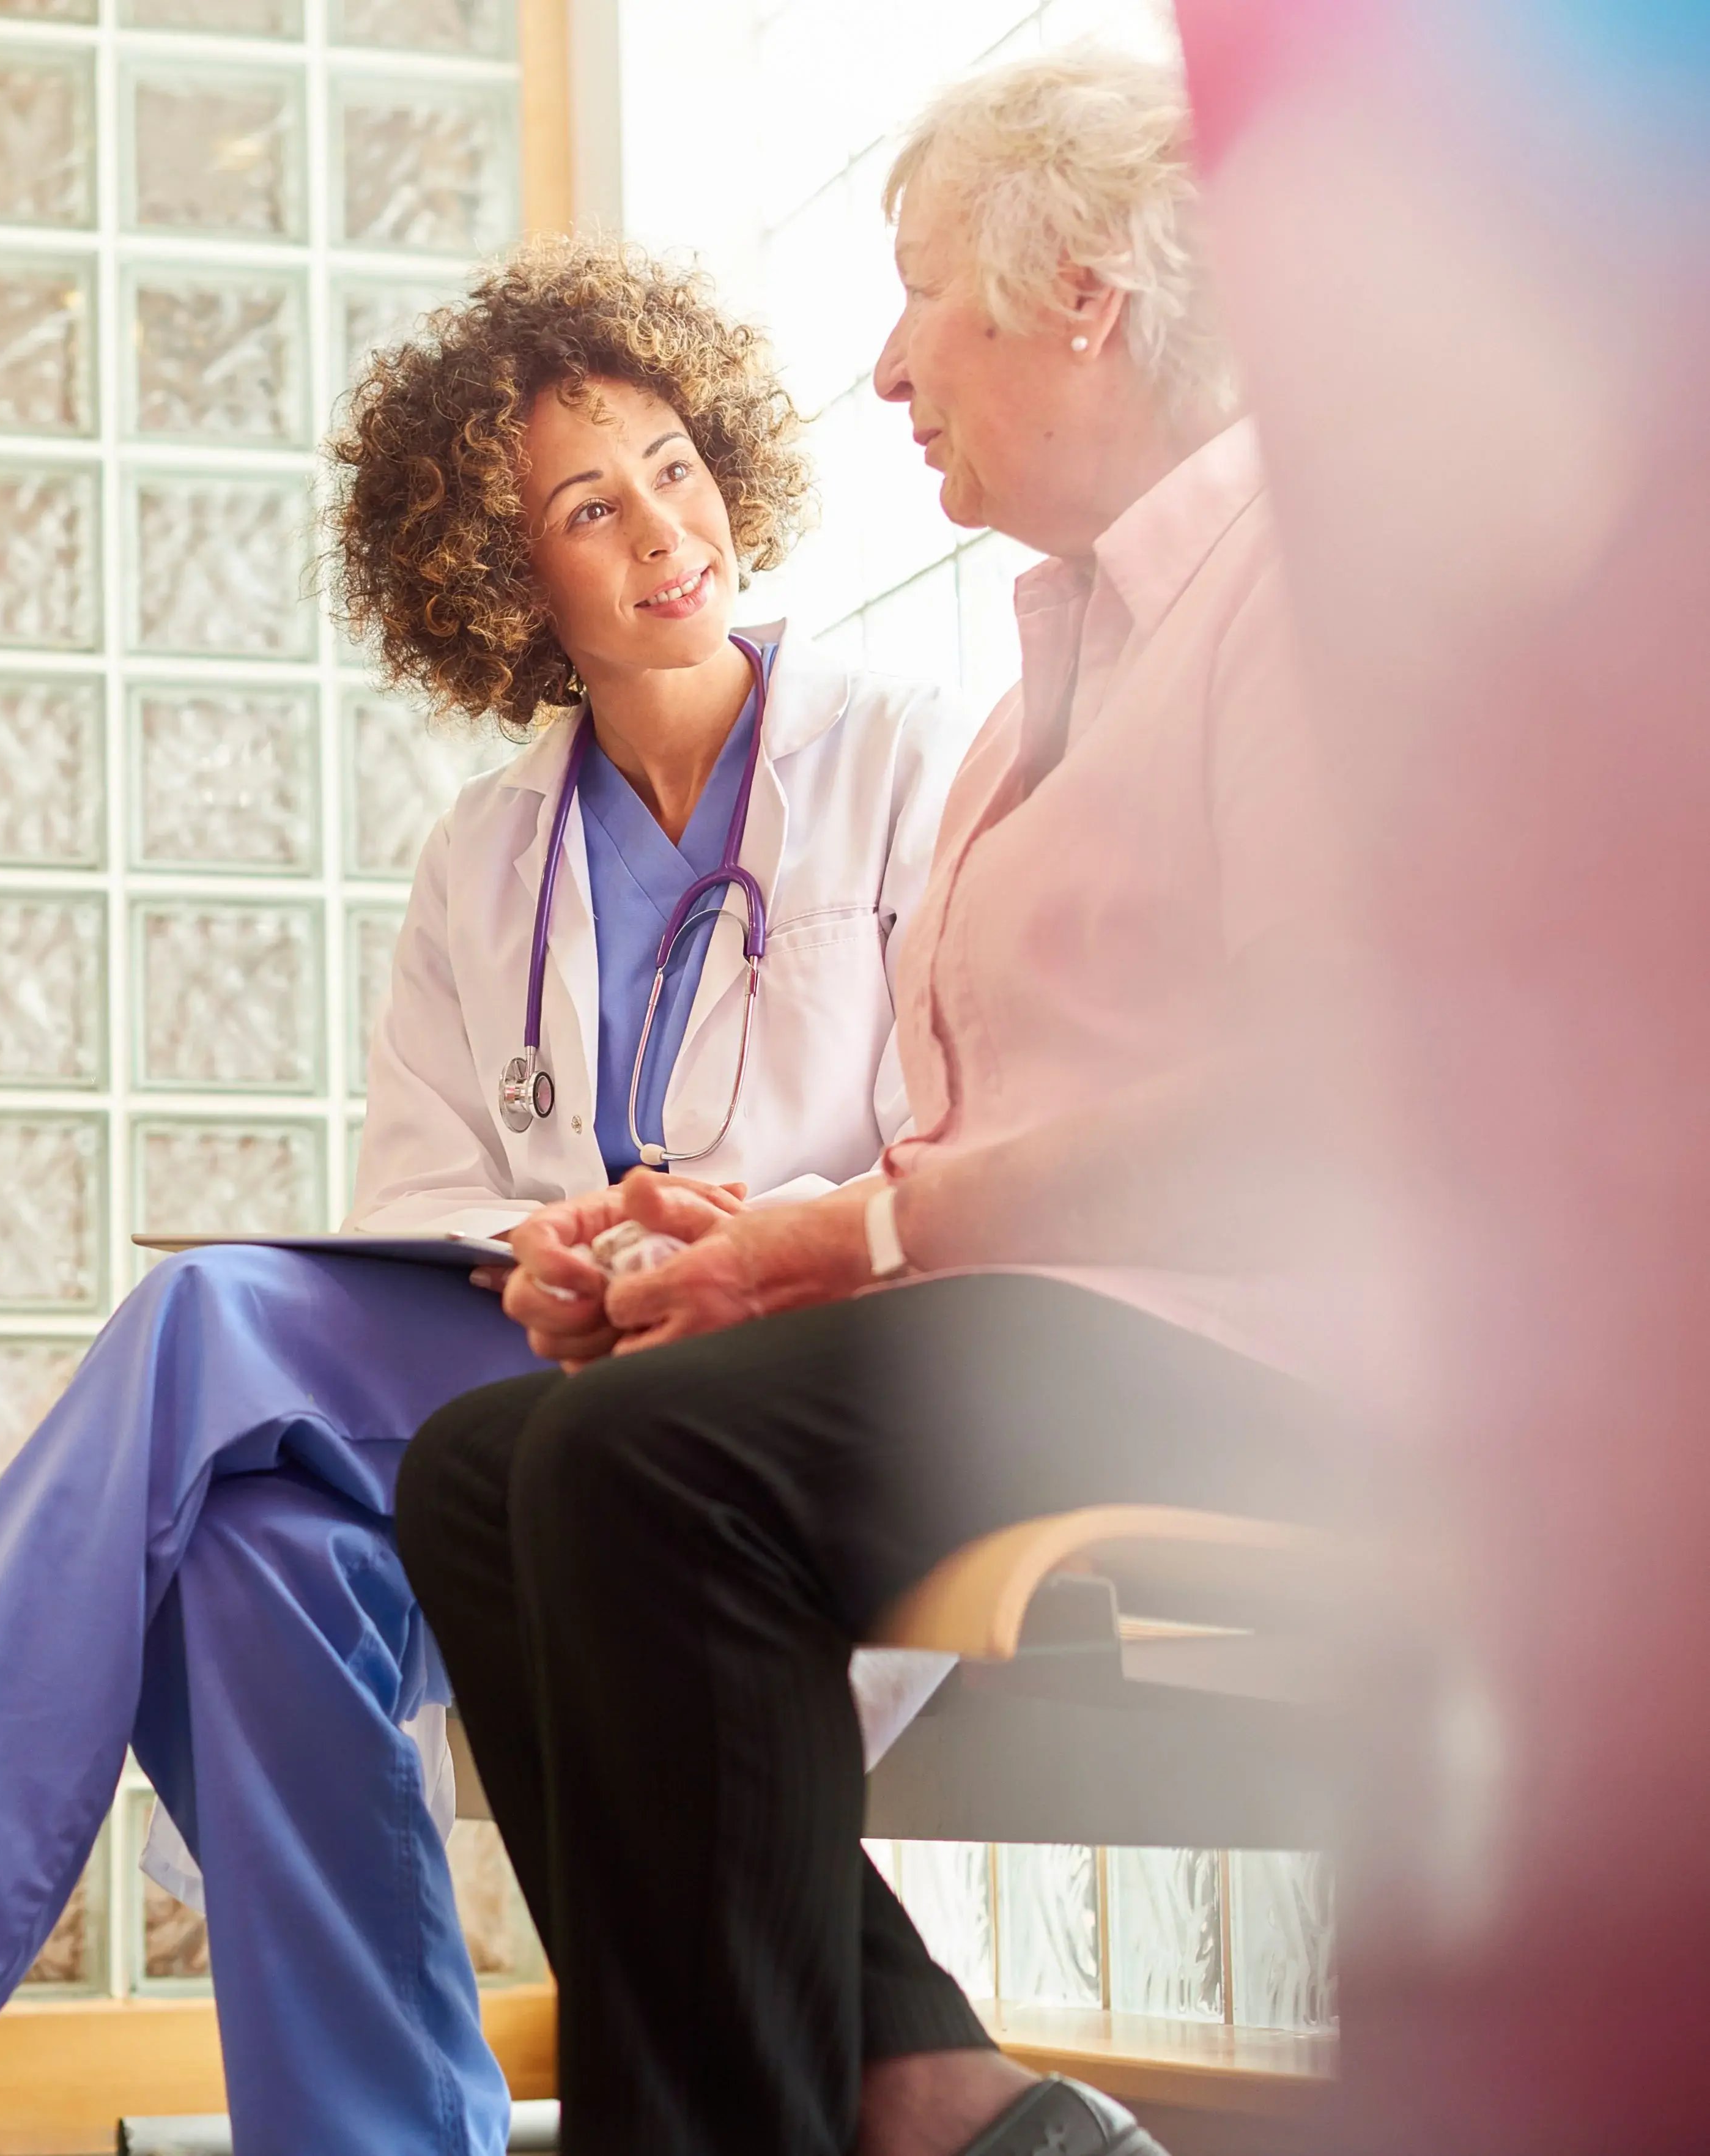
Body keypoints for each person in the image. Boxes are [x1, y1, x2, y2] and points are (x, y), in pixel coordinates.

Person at [0, 239, 980, 2150]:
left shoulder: (904, 757)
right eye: (591, 504)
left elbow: (954, 1130)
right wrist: (564, 1245)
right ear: (509, 576)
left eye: (673, 461)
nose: (666, 525)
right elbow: (431, 1193)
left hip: (795, 1391)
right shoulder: (486, 857)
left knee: (228, 1409)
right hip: (551, 1404)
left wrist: (731, 1230)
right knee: (255, 1524)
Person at [393, 50, 1349, 2156]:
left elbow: (1315, 1087)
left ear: (1080, 295)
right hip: (1063, 1319)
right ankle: (917, 2079)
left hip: (1273, 1344)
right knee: (481, 1464)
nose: (882, 364)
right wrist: (724, 1250)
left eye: (918, 292)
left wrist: (854, 1241)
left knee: (642, 1473)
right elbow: (958, 1129)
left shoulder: (1302, 584)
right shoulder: (1046, 686)